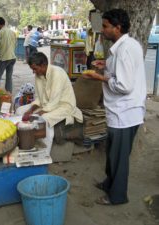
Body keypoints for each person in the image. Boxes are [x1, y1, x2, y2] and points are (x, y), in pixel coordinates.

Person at [82, 9, 147, 205]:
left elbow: (124, 86)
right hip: (120, 111)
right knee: (113, 153)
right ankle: (109, 183)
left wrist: (99, 76)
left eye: (105, 26)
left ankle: (117, 196)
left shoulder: (126, 48)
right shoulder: (124, 46)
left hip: (125, 112)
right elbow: (120, 71)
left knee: (119, 158)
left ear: (117, 28)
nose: (102, 30)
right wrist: (106, 64)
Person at [16, 52, 83, 153]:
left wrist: (36, 115)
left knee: (43, 119)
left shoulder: (57, 74)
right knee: (20, 110)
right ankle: (25, 142)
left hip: (64, 106)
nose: (33, 72)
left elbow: (54, 103)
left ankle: (45, 152)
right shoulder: (39, 75)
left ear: (43, 65)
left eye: (35, 69)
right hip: (47, 104)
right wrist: (30, 110)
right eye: (32, 69)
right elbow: (39, 98)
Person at [0, 17, 16, 93]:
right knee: (9, 77)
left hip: (5, 58)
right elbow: (15, 44)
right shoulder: (12, 32)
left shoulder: (0, 33)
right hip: (12, 57)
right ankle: (9, 94)